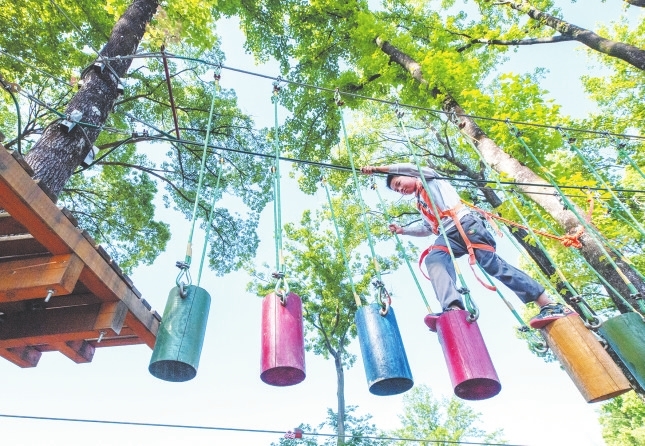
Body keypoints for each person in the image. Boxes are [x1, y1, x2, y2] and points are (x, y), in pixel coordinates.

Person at [360, 163, 573, 329]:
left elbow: (410, 167)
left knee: (491, 265)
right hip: (448, 235)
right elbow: (427, 228)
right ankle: (453, 307)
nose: (400, 189)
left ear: (408, 175)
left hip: (465, 224)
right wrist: (403, 230)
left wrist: (378, 169)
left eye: (399, 183)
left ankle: (547, 303)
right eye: (397, 190)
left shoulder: (429, 178)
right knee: (434, 258)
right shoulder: (420, 203)